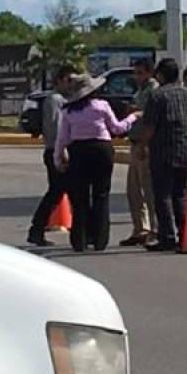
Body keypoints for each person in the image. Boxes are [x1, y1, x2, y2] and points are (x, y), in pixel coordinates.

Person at [55, 74, 138, 252]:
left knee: (80, 197)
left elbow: (62, 138)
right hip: (102, 150)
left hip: (78, 151)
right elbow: (117, 128)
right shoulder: (102, 106)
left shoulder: (68, 111)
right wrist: (132, 118)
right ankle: (100, 240)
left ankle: (80, 240)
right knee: (101, 195)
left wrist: (58, 158)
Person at [138, 59, 187, 252]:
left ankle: (167, 236)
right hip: (184, 149)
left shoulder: (157, 97)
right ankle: (184, 234)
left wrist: (142, 146)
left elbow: (150, 126)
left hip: (163, 151)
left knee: (162, 195)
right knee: (180, 194)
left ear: (161, 75)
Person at [27, 65, 75, 246]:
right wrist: (60, 151)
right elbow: (56, 127)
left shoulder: (63, 99)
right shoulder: (55, 100)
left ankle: (37, 230)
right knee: (57, 193)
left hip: (59, 151)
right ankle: (37, 229)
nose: (71, 84)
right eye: (69, 80)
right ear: (60, 80)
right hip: (56, 151)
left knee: (58, 193)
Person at [120, 58, 160, 247]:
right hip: (135, 143)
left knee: (149, 190)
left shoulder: (153, 90)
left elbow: (150, 117)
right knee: (134, 190)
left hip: (146, 144)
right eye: (135, 72)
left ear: (149, 72)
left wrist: (135, 111)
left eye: (140, 73)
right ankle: (140, 229)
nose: (136, 76)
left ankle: (155, 229)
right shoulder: (141, 90)